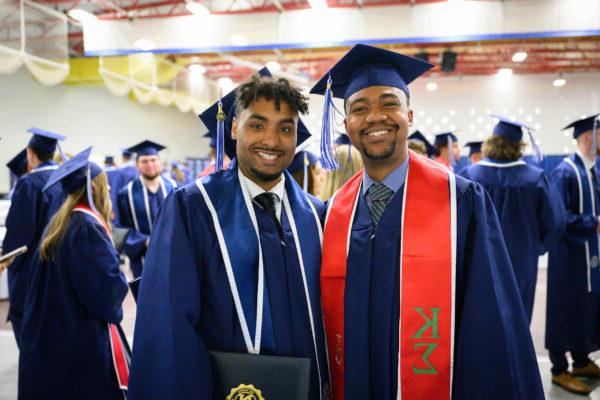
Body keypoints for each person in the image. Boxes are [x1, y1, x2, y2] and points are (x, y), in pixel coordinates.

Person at [310, 44, 543, 399]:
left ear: (410, 115)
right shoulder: (334, 210)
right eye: (360, 108)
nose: (375, 117)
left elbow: (489, 319)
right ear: (347, 125)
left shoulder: (461, 200)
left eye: (389, 103)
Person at [128, 72, 330, 400]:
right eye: (257, 125)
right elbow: (168, 326)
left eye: (285, 128)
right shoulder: (192, 208)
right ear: (234, 128)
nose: (272, 140)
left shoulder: (316, 215)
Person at [18, 147, 129, 399]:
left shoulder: (61, 223)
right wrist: (119, 276)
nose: (109, 189)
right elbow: (106, 299)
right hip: (77, 340)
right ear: (93, 189)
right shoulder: (87, 229)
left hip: (54, 335)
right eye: (105, 184)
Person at [461, 115, 565, 323]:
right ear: (518, 146)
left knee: (481, 313)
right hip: (521, 261)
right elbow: (556, 222)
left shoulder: (470, 175)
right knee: (517, 315)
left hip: (479, 259)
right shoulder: (535, 178)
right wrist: (536, 247)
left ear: (490, 144)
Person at [546, 114, 600, 395]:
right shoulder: (566, 172)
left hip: (589, 255)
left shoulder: (591, 171)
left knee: (585, 307)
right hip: (568, 258)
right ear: (588, 137)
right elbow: (559, 218)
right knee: (564, 309)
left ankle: (580, 361)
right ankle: (559, 370)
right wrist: (594, 223)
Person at [2, 127, 66, 348]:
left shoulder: (29, 183)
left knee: (28, 320)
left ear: (30, 153)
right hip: (59, 264)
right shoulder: (65, 180)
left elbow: (19, 233)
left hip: (31, 267)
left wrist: (6, 260)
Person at [117, 140, 175, 278]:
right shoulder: (126, 193)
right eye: (144, 161)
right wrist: (144, 241)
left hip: (171, 252)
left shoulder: (174, 188)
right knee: (146, 294)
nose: (150, 165)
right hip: (141, 256)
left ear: (160, 162)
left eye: (153, 160)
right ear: (137, 165)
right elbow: (122, 228)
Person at [104, 155, 123, 224]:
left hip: (105, 203)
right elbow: (114, 191)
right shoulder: (117, 173)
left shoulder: (101, 172)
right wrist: (113, 209)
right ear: (113, 162)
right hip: (115, 203)